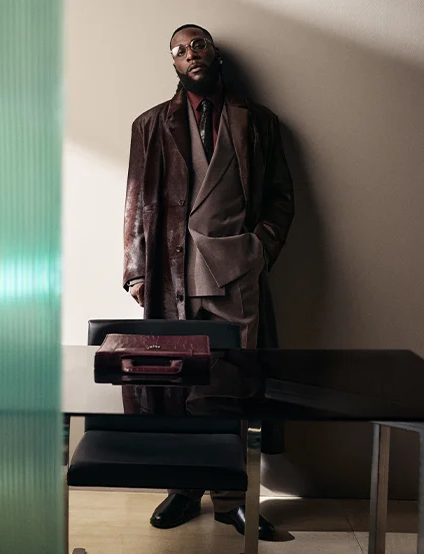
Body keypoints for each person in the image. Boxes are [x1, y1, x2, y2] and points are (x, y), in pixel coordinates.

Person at [122, 23, 294, 540]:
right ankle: (183, 488)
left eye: (197, 44)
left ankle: (231, 499)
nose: (189, 54)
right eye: (178, 50)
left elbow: (282, 198)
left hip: (236, 274)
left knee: (235, 386)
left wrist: (259, 249)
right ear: (172, 65)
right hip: (169, 273)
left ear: (214, 53)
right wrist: (134, 270)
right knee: (174, 383)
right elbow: (134, 200)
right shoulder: (149, 125)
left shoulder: (259, 122)